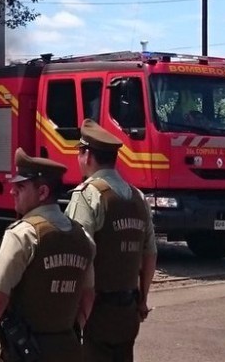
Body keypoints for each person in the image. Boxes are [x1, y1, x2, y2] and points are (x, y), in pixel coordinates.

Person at [0, 149, 95, 362]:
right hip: (69, 349)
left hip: (27, 353)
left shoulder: (22, 235)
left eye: (20, 186)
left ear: (43, 192)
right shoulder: (83, 238)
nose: (12, 192)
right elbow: (88, 296)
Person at [66, 120, 156, 362]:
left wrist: (75, 313)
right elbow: (150, 254)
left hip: (95, 312)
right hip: (128, 311)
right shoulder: (137, 197)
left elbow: (79, 255)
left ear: (87, 155)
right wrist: (143, 299)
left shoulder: (87, 196)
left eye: (79, 152)